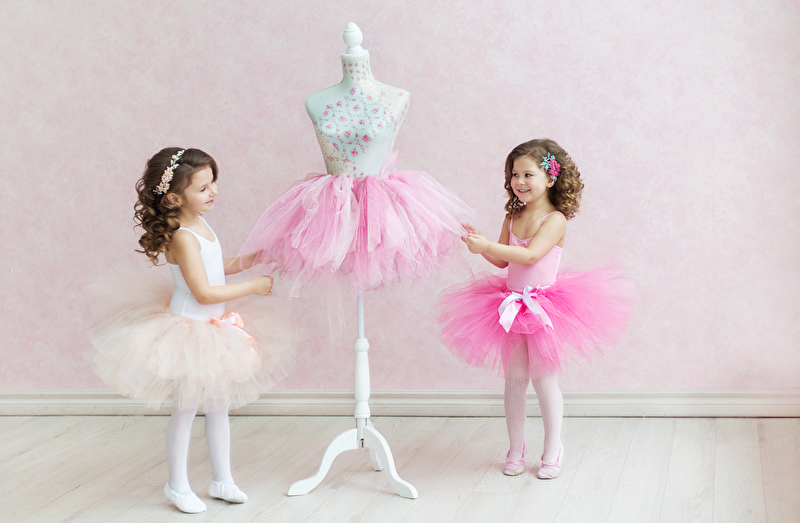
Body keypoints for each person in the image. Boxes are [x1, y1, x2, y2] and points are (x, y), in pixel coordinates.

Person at [87, 148, 291, 513]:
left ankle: (222, 479)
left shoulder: (200, 224)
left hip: (213, 329)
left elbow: (214, 266)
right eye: (203, 187)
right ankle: (177, 485)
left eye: (214, 183)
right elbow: (204, 292)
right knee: (185, 410)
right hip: (189, 332)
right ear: (174, 198)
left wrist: (252, 258)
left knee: (218, 407)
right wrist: (252, 286)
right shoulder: (182, 236)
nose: (214, 192)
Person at [234, 24, 473, 308]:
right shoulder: (315, 101)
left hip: (381, 202)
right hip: (330, 204)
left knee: (370, 262)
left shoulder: (396, 97)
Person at [438, 139, 634, 478]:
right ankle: (516, 447)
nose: (519, 181)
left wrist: (487, 245)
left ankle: (553, 447)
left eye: (528, 174)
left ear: (551, 177)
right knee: (514, 379)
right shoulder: (513, 215)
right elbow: (503, 260)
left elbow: (530, 256)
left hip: (544, 308)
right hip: (511, 305)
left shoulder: (554, 220)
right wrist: (480, 246)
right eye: (514, 174)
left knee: (544, 380)